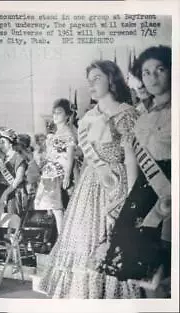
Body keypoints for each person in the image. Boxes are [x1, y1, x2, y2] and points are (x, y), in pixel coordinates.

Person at [37, 60, 140, 298]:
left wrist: (131, 198)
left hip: (117, 183)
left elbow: (131, 160)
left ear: (111, 80)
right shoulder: (87, 118)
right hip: (89, 186)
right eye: (89, 80)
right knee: (83, 242)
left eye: (97, 79)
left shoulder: (126, 113)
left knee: (113, 240)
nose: (91, 84)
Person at [98, 46, 172, 298]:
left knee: (167, 271)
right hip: (146, 194)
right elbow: (136, 163)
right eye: (146, 72)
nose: (152, 77)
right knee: (146, 274)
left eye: (160, 70)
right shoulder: (140, 118)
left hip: (170, 192)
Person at [34, 99, 77, 235]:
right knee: (52, 209)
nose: (55, 116)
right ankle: (58, 238)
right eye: (54, 113)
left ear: (67, 115)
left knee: (58, 209)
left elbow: (70, 157)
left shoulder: (68, 134)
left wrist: (67, 175)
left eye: (59, 113)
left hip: (59, 173)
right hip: (49, 173)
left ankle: (62, 239)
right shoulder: (53, 135)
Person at [0, 127, 28, 216]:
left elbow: (18, 179)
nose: (1, 145)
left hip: (12, 194)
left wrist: (5, 195)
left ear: (10, 143)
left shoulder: (19, 158)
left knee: (11, 222)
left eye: (3, 142)